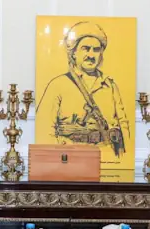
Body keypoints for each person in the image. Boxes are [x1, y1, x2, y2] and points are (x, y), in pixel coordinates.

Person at [36, 21, 130, 163]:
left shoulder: (110, 86)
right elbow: (44, 130)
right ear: (74, 53)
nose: (91, 55)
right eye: (85, 49)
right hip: (69, 158)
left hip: (106, 157)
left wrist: (123, 160)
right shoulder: (58, 85)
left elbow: (123, 127)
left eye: (96, 50)